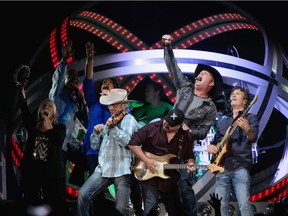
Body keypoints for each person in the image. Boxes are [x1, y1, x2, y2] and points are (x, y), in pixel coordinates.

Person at [162, 34, 224, 216]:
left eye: (204, 75)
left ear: (211, 84)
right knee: (163, 184)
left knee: (182, 184)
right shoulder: (185, 87)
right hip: (163, 140)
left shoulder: (210, 108)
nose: (199, 75)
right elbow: (172, 67)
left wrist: (191, 131)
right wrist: (168, 47)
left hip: (183, 147)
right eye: (199, 73)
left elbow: (204, 132)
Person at [76, 88, 139, 216]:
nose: (111, 108)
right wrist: (95, 133)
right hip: (103, 169)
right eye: (110, 104)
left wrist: (113, 128)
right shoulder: (110, 120)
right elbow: (94, 146)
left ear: (124, 105)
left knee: (121, 209)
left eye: (115, 104)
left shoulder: (129, 120)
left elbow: (128, 142)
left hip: (121, 170)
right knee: (83, 194)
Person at [128, 108, 196, 216]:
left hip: (171, 179)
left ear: (178, 126)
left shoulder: (186, 136)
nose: (166, 124)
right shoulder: (151, 127)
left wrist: (191, 163)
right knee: (150, 210)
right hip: (150, 174)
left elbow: (189, 156)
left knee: (176, 211)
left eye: (170, 124)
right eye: (166, 120)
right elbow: (133, 144)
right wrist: (147, 160)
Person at [207, 86, 259, 216]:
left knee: (244, 204)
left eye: (238, 94)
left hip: (240, 165)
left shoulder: (251, 118)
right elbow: (215, 142)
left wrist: (247, 129)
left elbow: (253, 138)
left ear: (245, 101)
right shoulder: (223, 122)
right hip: (222, 166)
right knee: (220, 205)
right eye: (232, 94)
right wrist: (211, 147)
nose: (233, 95)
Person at [17, 80, 66, 215]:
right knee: (28, 202)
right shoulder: (33, 125)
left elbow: (56, 140)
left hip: (51, 172)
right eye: (44, 106)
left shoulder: (60, 128)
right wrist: (21, 88)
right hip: (32, 169)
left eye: (50, 106)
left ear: (54, 112)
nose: (46, 108)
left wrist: (46, 120)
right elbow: (23, 107)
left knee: (53, 205)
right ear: (39, 110)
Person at [130, 78, 173, 216]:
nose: (145, 93)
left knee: (171, 200)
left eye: (148, 90)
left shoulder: (169, 108)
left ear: (157, 92)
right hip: (146, 161)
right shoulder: (139, 112)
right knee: (149, 198)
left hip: (166, 160)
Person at [48, 41, 89, 184]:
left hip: (71, 144)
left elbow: (81, 121)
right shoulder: (58, 95)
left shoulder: (77, 98)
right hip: (57, 145)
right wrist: (64, 61)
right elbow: (57, 80)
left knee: (89, 162)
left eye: (76, 78)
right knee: (56, 178)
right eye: (70, 76)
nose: (74, 79)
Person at [82, 41, 119, 176]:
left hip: (111, 151)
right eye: (104, 83)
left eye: (109, 84)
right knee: (94, 187)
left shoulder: (119, 107)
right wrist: (89, 58)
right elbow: (88, 78)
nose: (105, 84)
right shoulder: (94, 102)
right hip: (93, 151)